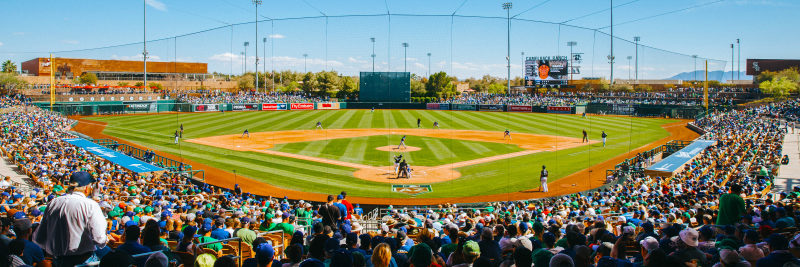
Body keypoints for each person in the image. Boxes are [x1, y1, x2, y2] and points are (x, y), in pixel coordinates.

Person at [33, 171, 107, 267]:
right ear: (87, 187)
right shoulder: (90, 205)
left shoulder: (53, 203)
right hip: (83, 261)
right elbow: (100, 240)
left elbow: (40, 237)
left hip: (58, 260)